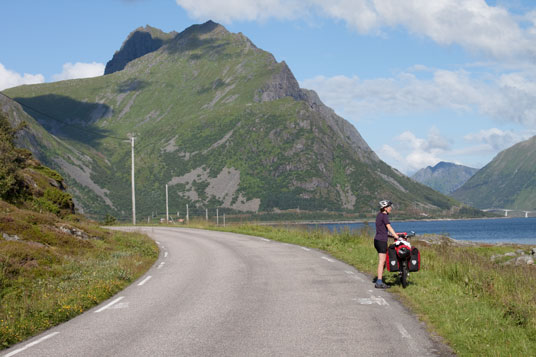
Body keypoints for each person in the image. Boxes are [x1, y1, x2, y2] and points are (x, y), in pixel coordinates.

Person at [374, 200, 398, 289]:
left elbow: (382, 230)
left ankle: (380, 279)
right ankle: (379, 282)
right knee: (382, 261)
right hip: (381, 241)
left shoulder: (379, 215)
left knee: (383, 261)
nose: (391, 208)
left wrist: (391, 236)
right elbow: (389, 227)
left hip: (377, 240)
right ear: (385, 208)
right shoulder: (384, 216)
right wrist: (396, 237)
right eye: (389, 207)